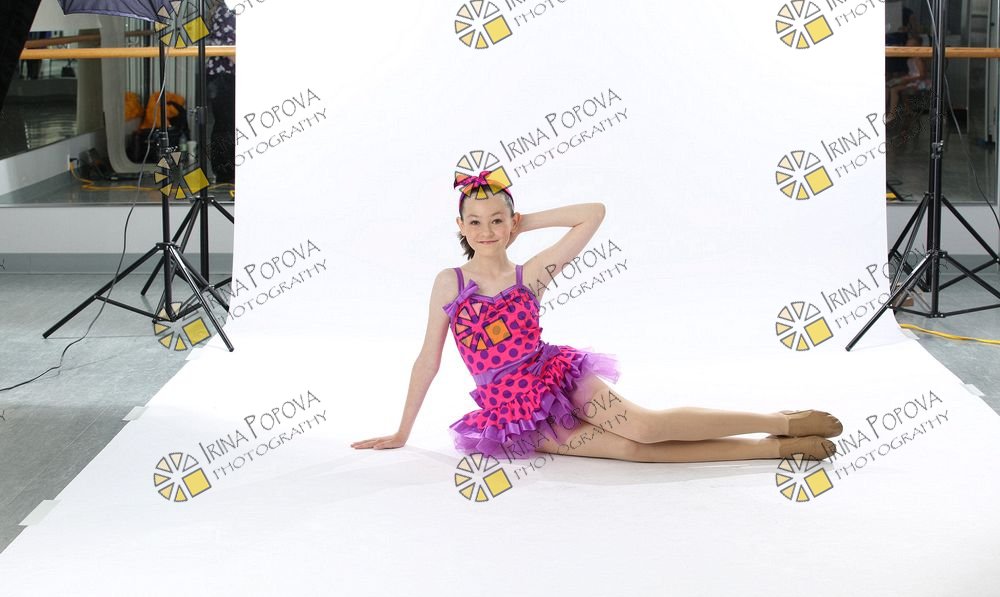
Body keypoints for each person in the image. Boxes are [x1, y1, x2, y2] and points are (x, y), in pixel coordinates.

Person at [350, 171, 843, 463]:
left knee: (644, 426)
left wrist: (524, 222)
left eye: (497, 220)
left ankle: (781, 420)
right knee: (630, 452)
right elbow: (428, 359)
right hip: (512, 411)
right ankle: (771, 449)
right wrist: (402, 431)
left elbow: (594, 212)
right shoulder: (450, 282)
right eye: (474, 222)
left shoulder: (531, 273)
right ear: (460, 226)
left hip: (553, 377)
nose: (486, 230)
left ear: (510, 223)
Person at [205, 2, 236, 184]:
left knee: (226, 124)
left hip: (225, 75)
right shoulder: (227, 11)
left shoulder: (228, 10)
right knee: (226, 125)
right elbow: (230, 49)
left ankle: (226, 173)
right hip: (223, 75)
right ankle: (225, 174)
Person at [886, 35, 931, 123]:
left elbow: (922, 75)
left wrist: (908, 79)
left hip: (920, 83)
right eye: (907, 46)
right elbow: (911, 73)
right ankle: (905, 110)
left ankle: (892, 114)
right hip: (912, 81)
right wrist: (903, 78)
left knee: (894, 90)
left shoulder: (918, 59)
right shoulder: (910, 60)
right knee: (889, 85)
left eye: (910, 46)